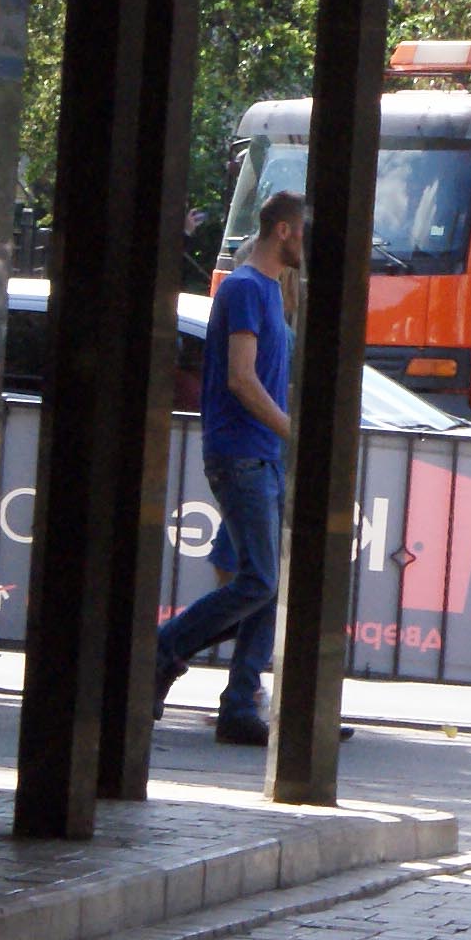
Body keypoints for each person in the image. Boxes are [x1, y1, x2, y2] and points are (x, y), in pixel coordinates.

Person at [155, 189, 302, 748]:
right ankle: (163, 650)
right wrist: (294, 432)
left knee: (265, 582)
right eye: (303, 233)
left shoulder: (265, 289)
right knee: (261, 579)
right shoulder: (244, 287)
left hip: (257, 452)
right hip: (243, 451)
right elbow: (241, 378)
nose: (306, 247)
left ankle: (241, 703)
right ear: (284, 231)